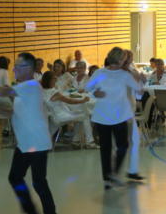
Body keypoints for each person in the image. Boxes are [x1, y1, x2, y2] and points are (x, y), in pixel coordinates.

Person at [0, 52, 59, 214]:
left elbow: (4, 91)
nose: (14, 69)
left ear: (28, 69)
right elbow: (12, 112)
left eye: (17, 67)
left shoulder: (32, 86)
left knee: (39, 182)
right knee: (15, 177)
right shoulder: (22, 88)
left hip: (37, 143)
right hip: (25, 144)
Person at [86, 47, 142, 189]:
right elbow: (87, 88)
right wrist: (95, 94)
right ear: (120, 59)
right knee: (115, 147)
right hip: (111, 116)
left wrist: (95, 93)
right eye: (124, 58)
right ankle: (111, 176)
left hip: (112, 116)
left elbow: (87, 88)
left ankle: (110, 176)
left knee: (113, 147)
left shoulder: (112, 74)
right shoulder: (113, 74)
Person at [41, 71, 96, 149]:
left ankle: (76, 140)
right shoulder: (55, 92)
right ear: (49, 80)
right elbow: (71, 101)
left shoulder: (42, 91)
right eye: (54, 78)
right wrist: (83, 100)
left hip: (53, 116)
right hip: (61, 117)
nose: (56, 80)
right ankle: (90, 142)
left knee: (79, 117)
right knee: (85, 115)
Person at [122, 50, 146, 181]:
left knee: (133, 140)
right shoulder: (123, 73)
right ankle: (119, 172)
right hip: (122, 111)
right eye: (128, 58)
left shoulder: (131, 70)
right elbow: (139, 89)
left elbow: (139, 90)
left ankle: (132, 170)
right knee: (124, 142)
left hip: (129, 109)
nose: (130, 60)